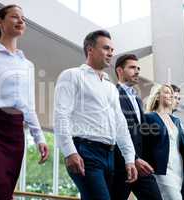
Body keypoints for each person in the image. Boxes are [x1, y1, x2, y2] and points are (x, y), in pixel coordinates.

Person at [53, 30, 137, 200]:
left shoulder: (110, 87)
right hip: (85, 151)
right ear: (90, 49)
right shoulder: (72, 75)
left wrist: (129, 158)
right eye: (106, 48)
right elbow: (61, 115)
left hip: (110, 155)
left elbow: (120, 124)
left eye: (112, 50)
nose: (111, 53)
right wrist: (70, 152)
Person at [0, 5, 49, 199]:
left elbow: (28, 105)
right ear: (0, 22)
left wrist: (40, 138)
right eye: (15, 17)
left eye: (24, 19)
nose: (21, 21)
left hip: (15, 131)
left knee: (4, 189)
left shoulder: (27, 64)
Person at [111, 54, 162, 200]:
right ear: (120, 71)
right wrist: (132, 158)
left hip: (141, 164)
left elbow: (140, 133)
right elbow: (116, 129)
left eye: (138, 68)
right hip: (121, 164)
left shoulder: (138, 99)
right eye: (132, 67)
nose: (137, 71)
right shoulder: (112, 94)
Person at [144, 84, 184, 200]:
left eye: (171, 93)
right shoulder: (149, 117)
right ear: (157, 97)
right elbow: (144, 146)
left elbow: (183, 150)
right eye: (166, 92)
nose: (170, 95)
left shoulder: (176, 121)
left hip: (178, 170)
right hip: (162, 170)